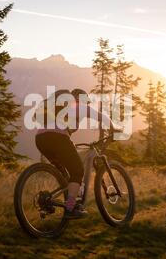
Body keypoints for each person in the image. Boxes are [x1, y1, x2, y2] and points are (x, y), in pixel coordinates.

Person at [35, 88, 114, 219]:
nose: (87, 105)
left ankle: (48, 201)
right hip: (57, 138)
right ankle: (70, 207)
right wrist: (112, 127)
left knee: (65, 175)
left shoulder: (63, 107)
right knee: (77, 172)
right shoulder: (78, 106)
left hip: (41, 139)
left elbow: (63, 128)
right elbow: (99, 115)